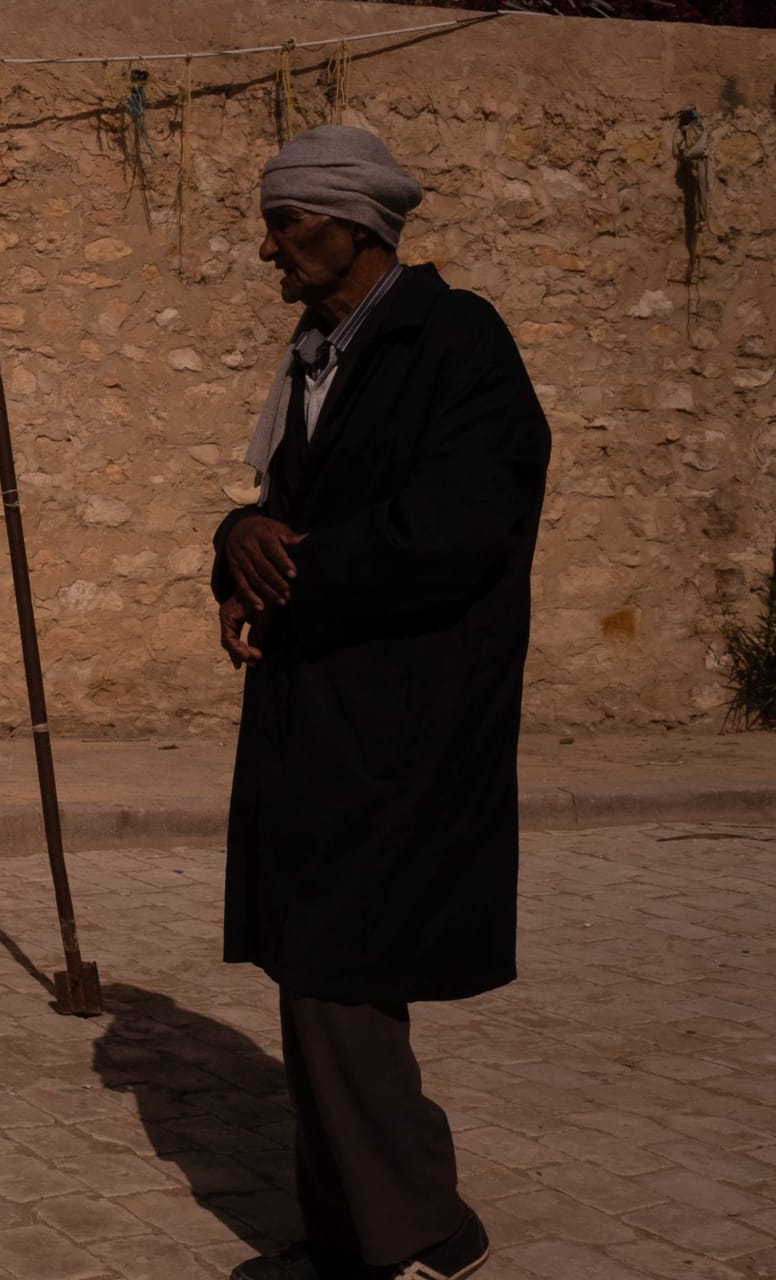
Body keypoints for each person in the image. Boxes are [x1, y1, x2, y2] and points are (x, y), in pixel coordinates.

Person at [211, 125, 550, 1280]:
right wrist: (234, 542)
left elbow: (459, 528)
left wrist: (288, 568)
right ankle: (355, 1229)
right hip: (320, 712)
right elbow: (277, 508)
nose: (270, 248)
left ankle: (422, 1229)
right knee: (316, 963)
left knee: (339, 966)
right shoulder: (317, 351)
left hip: (410, 718)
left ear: (355, 222)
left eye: (287, 222)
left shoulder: (458, 344)